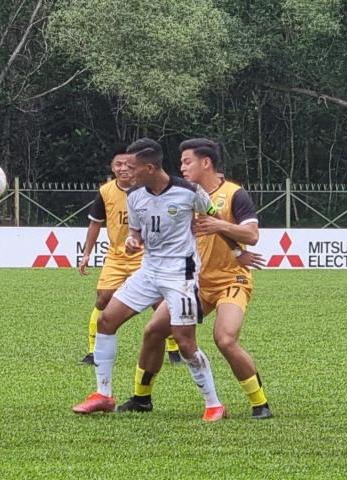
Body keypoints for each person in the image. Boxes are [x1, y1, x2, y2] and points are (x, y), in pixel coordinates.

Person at [72, 138, 226, 422]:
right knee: (106, 320)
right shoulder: (134, 197)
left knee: (184, 341)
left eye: (132, 167)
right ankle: (103, 394)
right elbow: (137, 234)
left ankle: (214, 404)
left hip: (181, 273)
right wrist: (132, 241)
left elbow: (214, 218)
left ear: (150, 167)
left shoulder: (190, 192)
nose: (126, 172)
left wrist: (237, 249)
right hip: (149, 270)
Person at [119, 138, 272, 420]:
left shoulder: (234, 194)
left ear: (206, 162)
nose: (181, 167)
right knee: (153, 331)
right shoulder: (183, 193)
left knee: (224, 339)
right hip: (193, 282)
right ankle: (141, 398)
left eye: (187, 161)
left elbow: (251, 235)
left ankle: (260, 404)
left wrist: (221, 228)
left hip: (230, 281)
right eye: (180, 162)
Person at [78, 147, 182, 366]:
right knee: (103, 298)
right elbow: (95, 223)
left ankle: (174, 348)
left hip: (145, 256)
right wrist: (87, 253)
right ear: (112, 167)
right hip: (116, 256)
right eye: (118, 164)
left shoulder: (148, 190)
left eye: (128, 164)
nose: (123, 168)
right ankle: (92, 351)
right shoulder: (105, 191)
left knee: (160, 302)